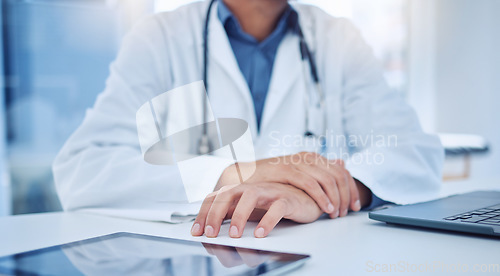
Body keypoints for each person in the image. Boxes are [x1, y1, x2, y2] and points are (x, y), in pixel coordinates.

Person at [53, 0, 444, 238]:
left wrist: (322, 193)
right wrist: (234, 174)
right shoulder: (161, 38)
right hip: (205, 257)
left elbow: (416, 153)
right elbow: (82, 169)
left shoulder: (337, 38)